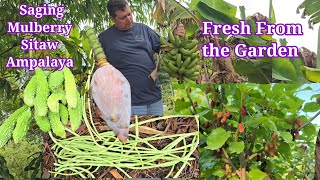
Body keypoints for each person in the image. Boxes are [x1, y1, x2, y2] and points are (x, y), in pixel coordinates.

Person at [98, 0, 185, 116]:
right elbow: (100, 70)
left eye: (129, 14)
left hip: (155, 98)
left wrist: (174, 36)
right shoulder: (105, 38)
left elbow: (162, 46)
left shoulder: (143, 29)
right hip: (129, 103)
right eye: (123, 18)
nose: (128, 19)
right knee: (137, 134)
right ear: (112, 19)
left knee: (159, 131)